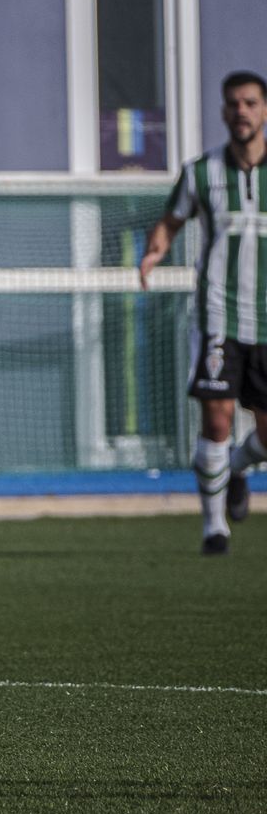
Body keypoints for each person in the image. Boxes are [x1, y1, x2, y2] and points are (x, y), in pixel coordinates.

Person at [139, 70, 267, 556]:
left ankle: (235, 468)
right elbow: (171, 221)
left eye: (251, 103)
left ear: (264, 111)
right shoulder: (202, 172)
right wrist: (154, 250)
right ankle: (215, 529)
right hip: (219, 316)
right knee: (216, 419)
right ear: (223, 112)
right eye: (234, 103)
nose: (242, 111)